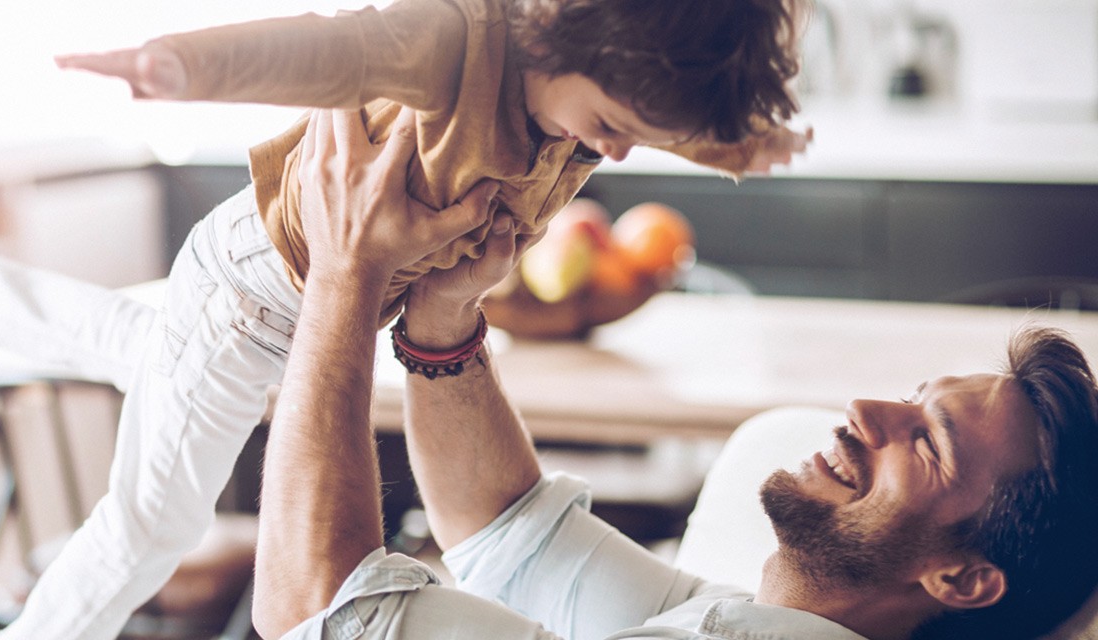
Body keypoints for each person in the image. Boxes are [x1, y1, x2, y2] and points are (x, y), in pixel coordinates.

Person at [0, 1, 810, 635]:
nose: (612, 147)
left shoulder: (595, 98)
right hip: (251, 294)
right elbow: (330, 46)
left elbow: (668, 110)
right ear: (569, 36)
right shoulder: (456, 43)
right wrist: (173, 66)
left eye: (636, 136)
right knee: (150, 524)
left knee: (162, 363)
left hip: (297, 319)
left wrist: (748, 142)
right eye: (613, 120)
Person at [252, 108, 1098, 639]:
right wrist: (444, 322)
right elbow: (510, 533)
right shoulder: (751, 619)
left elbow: (320, 614)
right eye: (913, 400)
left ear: (962, 580)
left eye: (928, 444)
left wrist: (345, 269)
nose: (867, 412)